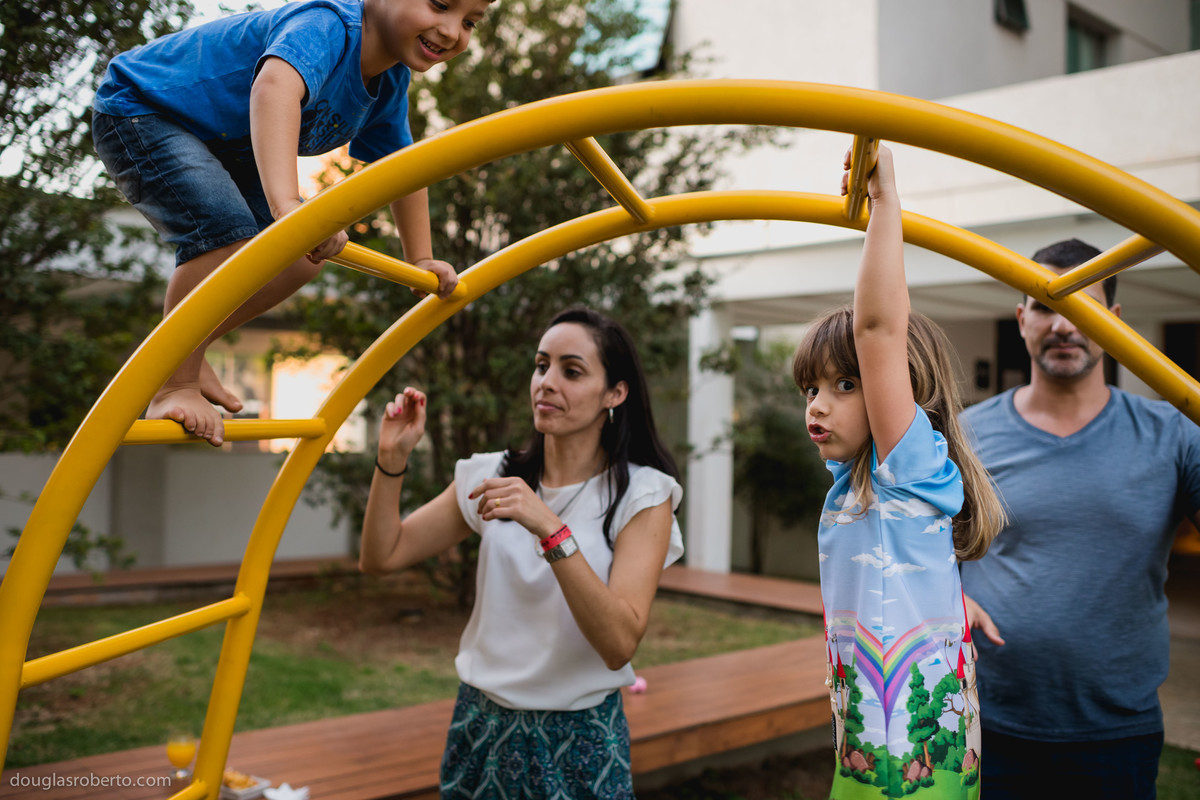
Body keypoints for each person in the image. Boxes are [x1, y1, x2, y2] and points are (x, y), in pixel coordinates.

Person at [91, 0, 490, 446]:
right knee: (228, 241)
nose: (453, 31)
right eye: (440, 5)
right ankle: (172, 384)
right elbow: (274, 89)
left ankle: (184, 349)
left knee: (301, 260)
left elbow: (402, 167)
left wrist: (420, 258)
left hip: (226, 145)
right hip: (146, 110)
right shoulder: (328, 25)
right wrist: (287, 205)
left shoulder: (389, 79)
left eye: (470, 22)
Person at [359, 306, 684, 799]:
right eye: (541, 365)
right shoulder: (491, 475)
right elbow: (383, 556)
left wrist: (551, 529)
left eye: (571, 371)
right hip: (481, 727)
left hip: (579, 742)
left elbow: (619, 642)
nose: (547, 382)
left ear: (615, 394)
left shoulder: (642, 494)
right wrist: (390, 462)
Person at [791, 146, 1006, 798]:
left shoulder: (904, 468)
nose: (818, 404)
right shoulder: (859, 487)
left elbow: (881, 329)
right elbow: (900, 557)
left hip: (904, 765)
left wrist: (885, 202)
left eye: (846, 383)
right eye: (811, 388)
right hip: (871, 743)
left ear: (902, 392)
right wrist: (946, 600)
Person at [960, 238, 1200, 799]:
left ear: (1115, 322)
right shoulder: (965, 436)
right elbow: (911, 547)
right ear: (1022, 319)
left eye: (1084, 308)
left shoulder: (1175, 433)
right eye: (1047, 305)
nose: (1064, 325)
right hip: (981, 721)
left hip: (1117, 734)